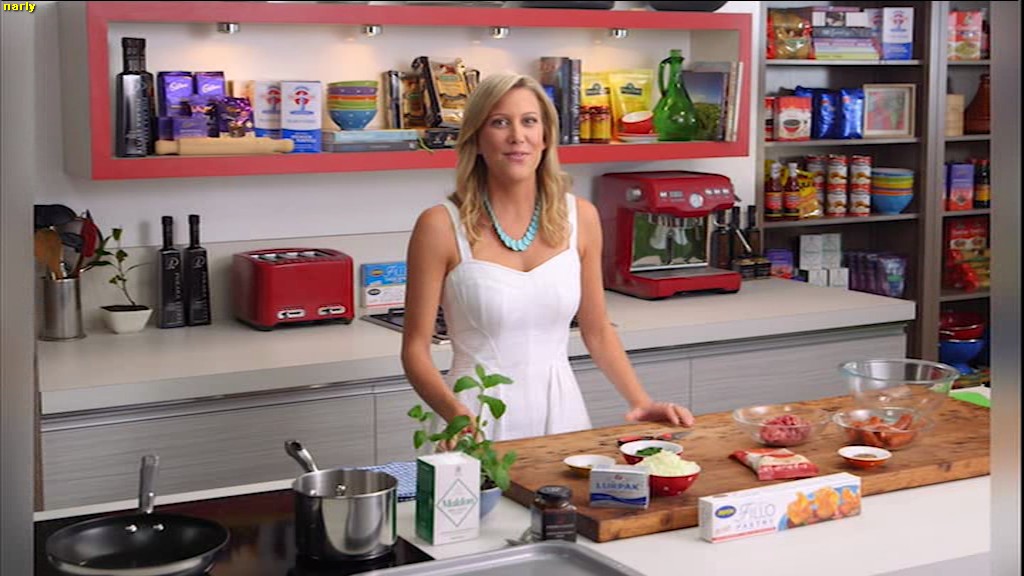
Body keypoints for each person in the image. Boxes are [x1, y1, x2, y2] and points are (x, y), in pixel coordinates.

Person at [401, 73, 695, 442]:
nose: (517, 136)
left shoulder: (581, 217)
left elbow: (597, 330)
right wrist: (457, 416)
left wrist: (641, 402)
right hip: (471, 420)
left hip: (562, 414)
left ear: (545, 137)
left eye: (529, 121)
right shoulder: (439, 225)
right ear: (476, 139)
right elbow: (415, 349)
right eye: (499, 122)